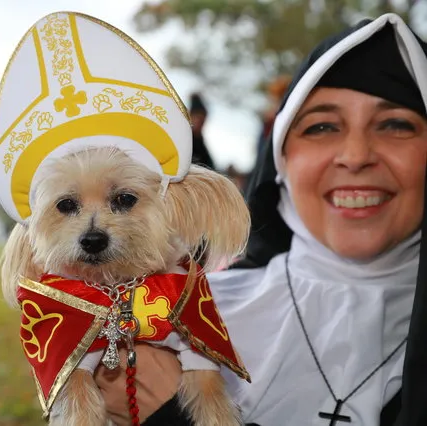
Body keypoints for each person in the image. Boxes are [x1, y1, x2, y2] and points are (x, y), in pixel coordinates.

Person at [95, 13, 427, 426]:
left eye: (395, 124)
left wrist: (173, 416)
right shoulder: (180, 317)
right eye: (322, 126)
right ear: (280, 162)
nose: (357, 155)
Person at [189, 93, 216, 170]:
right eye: (198, 119)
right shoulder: (185, 139)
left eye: (203, 121)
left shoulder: (201, 143)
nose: (201, 124)